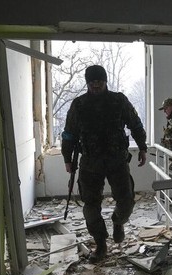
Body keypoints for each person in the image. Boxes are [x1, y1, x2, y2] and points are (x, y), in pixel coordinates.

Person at [61, 65, 147, 263]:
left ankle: (118, 222)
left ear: (105, 81)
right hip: (90, 162)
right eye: (92, 82)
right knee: (90, 206)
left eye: (99, 81)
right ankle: (100, 244)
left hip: (117, 160)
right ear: (87, 83)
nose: (96, 85)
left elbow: (135, 123)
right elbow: (69, 133)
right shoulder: (79, 105)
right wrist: (67, 158)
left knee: (126, 201)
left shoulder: (119, 101)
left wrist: (142, 147)